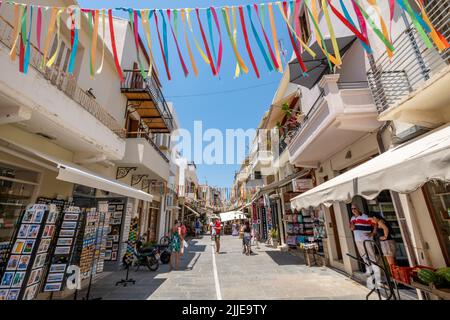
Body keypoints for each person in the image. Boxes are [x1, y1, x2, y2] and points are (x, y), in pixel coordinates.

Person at [350, 203, 376, 273]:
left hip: (366, 239)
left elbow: (375, 223)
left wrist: (373, 233)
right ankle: (369, 271)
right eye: (352, 209)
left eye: (355, 208)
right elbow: (352, 229)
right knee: (363, 255)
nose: (353, 210)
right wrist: (352, 226)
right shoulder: (352, 218)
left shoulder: (365, 217)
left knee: (371, 255)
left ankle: (376, 271)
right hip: (357, 239)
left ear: (358, 209)